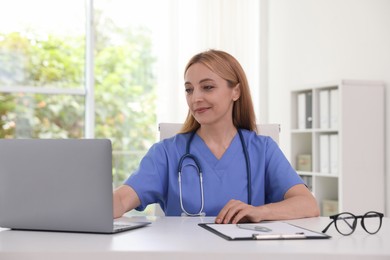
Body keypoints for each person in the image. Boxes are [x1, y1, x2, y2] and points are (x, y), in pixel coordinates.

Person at [113, 49, 319, 224]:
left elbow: (308, 204)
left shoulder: (262, 149)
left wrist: (259, 212)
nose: (196, 98)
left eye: (208, 87)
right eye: (189, 90)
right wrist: (89, 205)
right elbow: (122, 200)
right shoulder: (167, 153)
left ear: (235, 92)